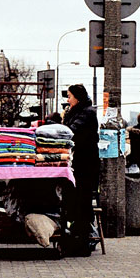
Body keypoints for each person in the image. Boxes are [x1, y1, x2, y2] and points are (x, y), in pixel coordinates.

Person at [62, 83, 99, 256]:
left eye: (69, 96)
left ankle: (83, 242)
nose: (68, 100)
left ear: (77, 97)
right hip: (79, 164)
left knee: (82, 202)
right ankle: (78, 237)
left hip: (85, 164)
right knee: (77, 201)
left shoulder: (87, 113)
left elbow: (71, 132)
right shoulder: (78, 112)